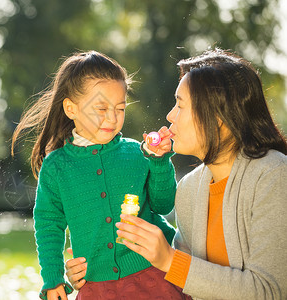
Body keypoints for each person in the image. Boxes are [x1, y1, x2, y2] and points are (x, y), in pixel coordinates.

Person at [65, 48, 287, 299]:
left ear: (218, 117)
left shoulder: (273, 176)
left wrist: (170, 261)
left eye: (180, 105)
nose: (170, 115)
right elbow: (183, 284)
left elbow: (272, 291)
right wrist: (93, 268)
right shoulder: (191, 188)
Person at [11, 51, 189, 299]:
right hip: (97, 287)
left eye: (120, 108)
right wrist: (53, 279)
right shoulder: (57, 167)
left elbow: (163, 203)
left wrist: (159, 162)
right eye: (101, 108)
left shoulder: (137, 152)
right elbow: (48, 225)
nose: (113, 117)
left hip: (154, 278)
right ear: (71, 108)